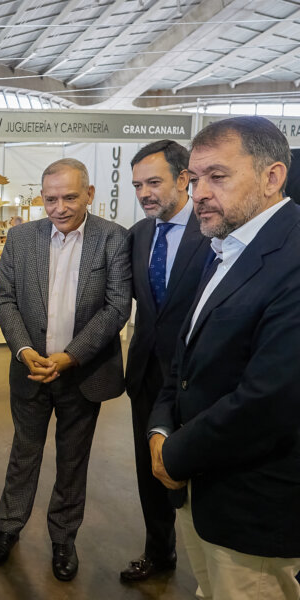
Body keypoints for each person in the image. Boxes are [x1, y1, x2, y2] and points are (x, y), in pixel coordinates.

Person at [149, 116, 300, 599]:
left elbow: (269, 400)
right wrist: (159, 426)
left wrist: (172, 454)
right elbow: (185, 356)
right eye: (194, 179)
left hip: (252, 503)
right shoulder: (225, 247)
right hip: (201, 490)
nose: (198, 194)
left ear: (272, 177)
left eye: (218, 176)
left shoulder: (291, 256)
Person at [0, 158, 131, 581]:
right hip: (30, 371)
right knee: (23, 454)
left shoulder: (113, 239)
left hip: (83, 375)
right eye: (50, 199)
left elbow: (117, 306)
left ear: (89, 194)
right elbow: (6, 300)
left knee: (73, 461)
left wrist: (71, 355)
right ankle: (8, 529)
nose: (59, 207)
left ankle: (63, 539)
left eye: (70, 197)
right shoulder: (20, 238)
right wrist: (24, 349)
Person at [120, 140, 211, 583]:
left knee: (196, 469)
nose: (144, 194)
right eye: (138, 185)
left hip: (199, 379)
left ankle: (212, 565)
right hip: (145, 376)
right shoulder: (138, 235)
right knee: (149, 469)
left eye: (153, 182)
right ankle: (159, 552)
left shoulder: (213, 232)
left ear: (183, 178)